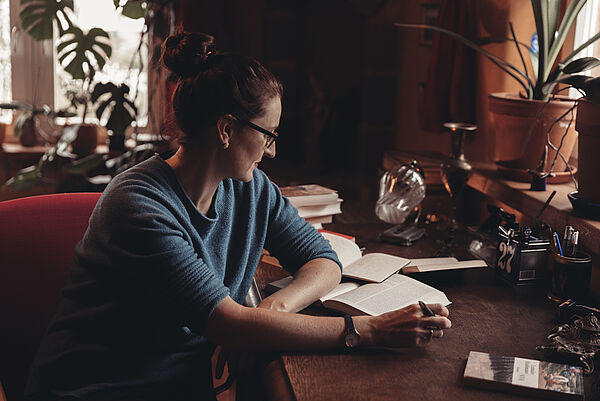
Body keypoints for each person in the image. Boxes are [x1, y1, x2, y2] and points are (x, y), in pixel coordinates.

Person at [26, 32, 451, 401]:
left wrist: (277, 306)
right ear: (227, 129)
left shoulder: (251, 188)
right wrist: (369, 331)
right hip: (96, 390)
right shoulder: (139, 206)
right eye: (268, 135)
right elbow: (228, 326)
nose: (272, 151)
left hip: (177, 387)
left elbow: (323, 260)